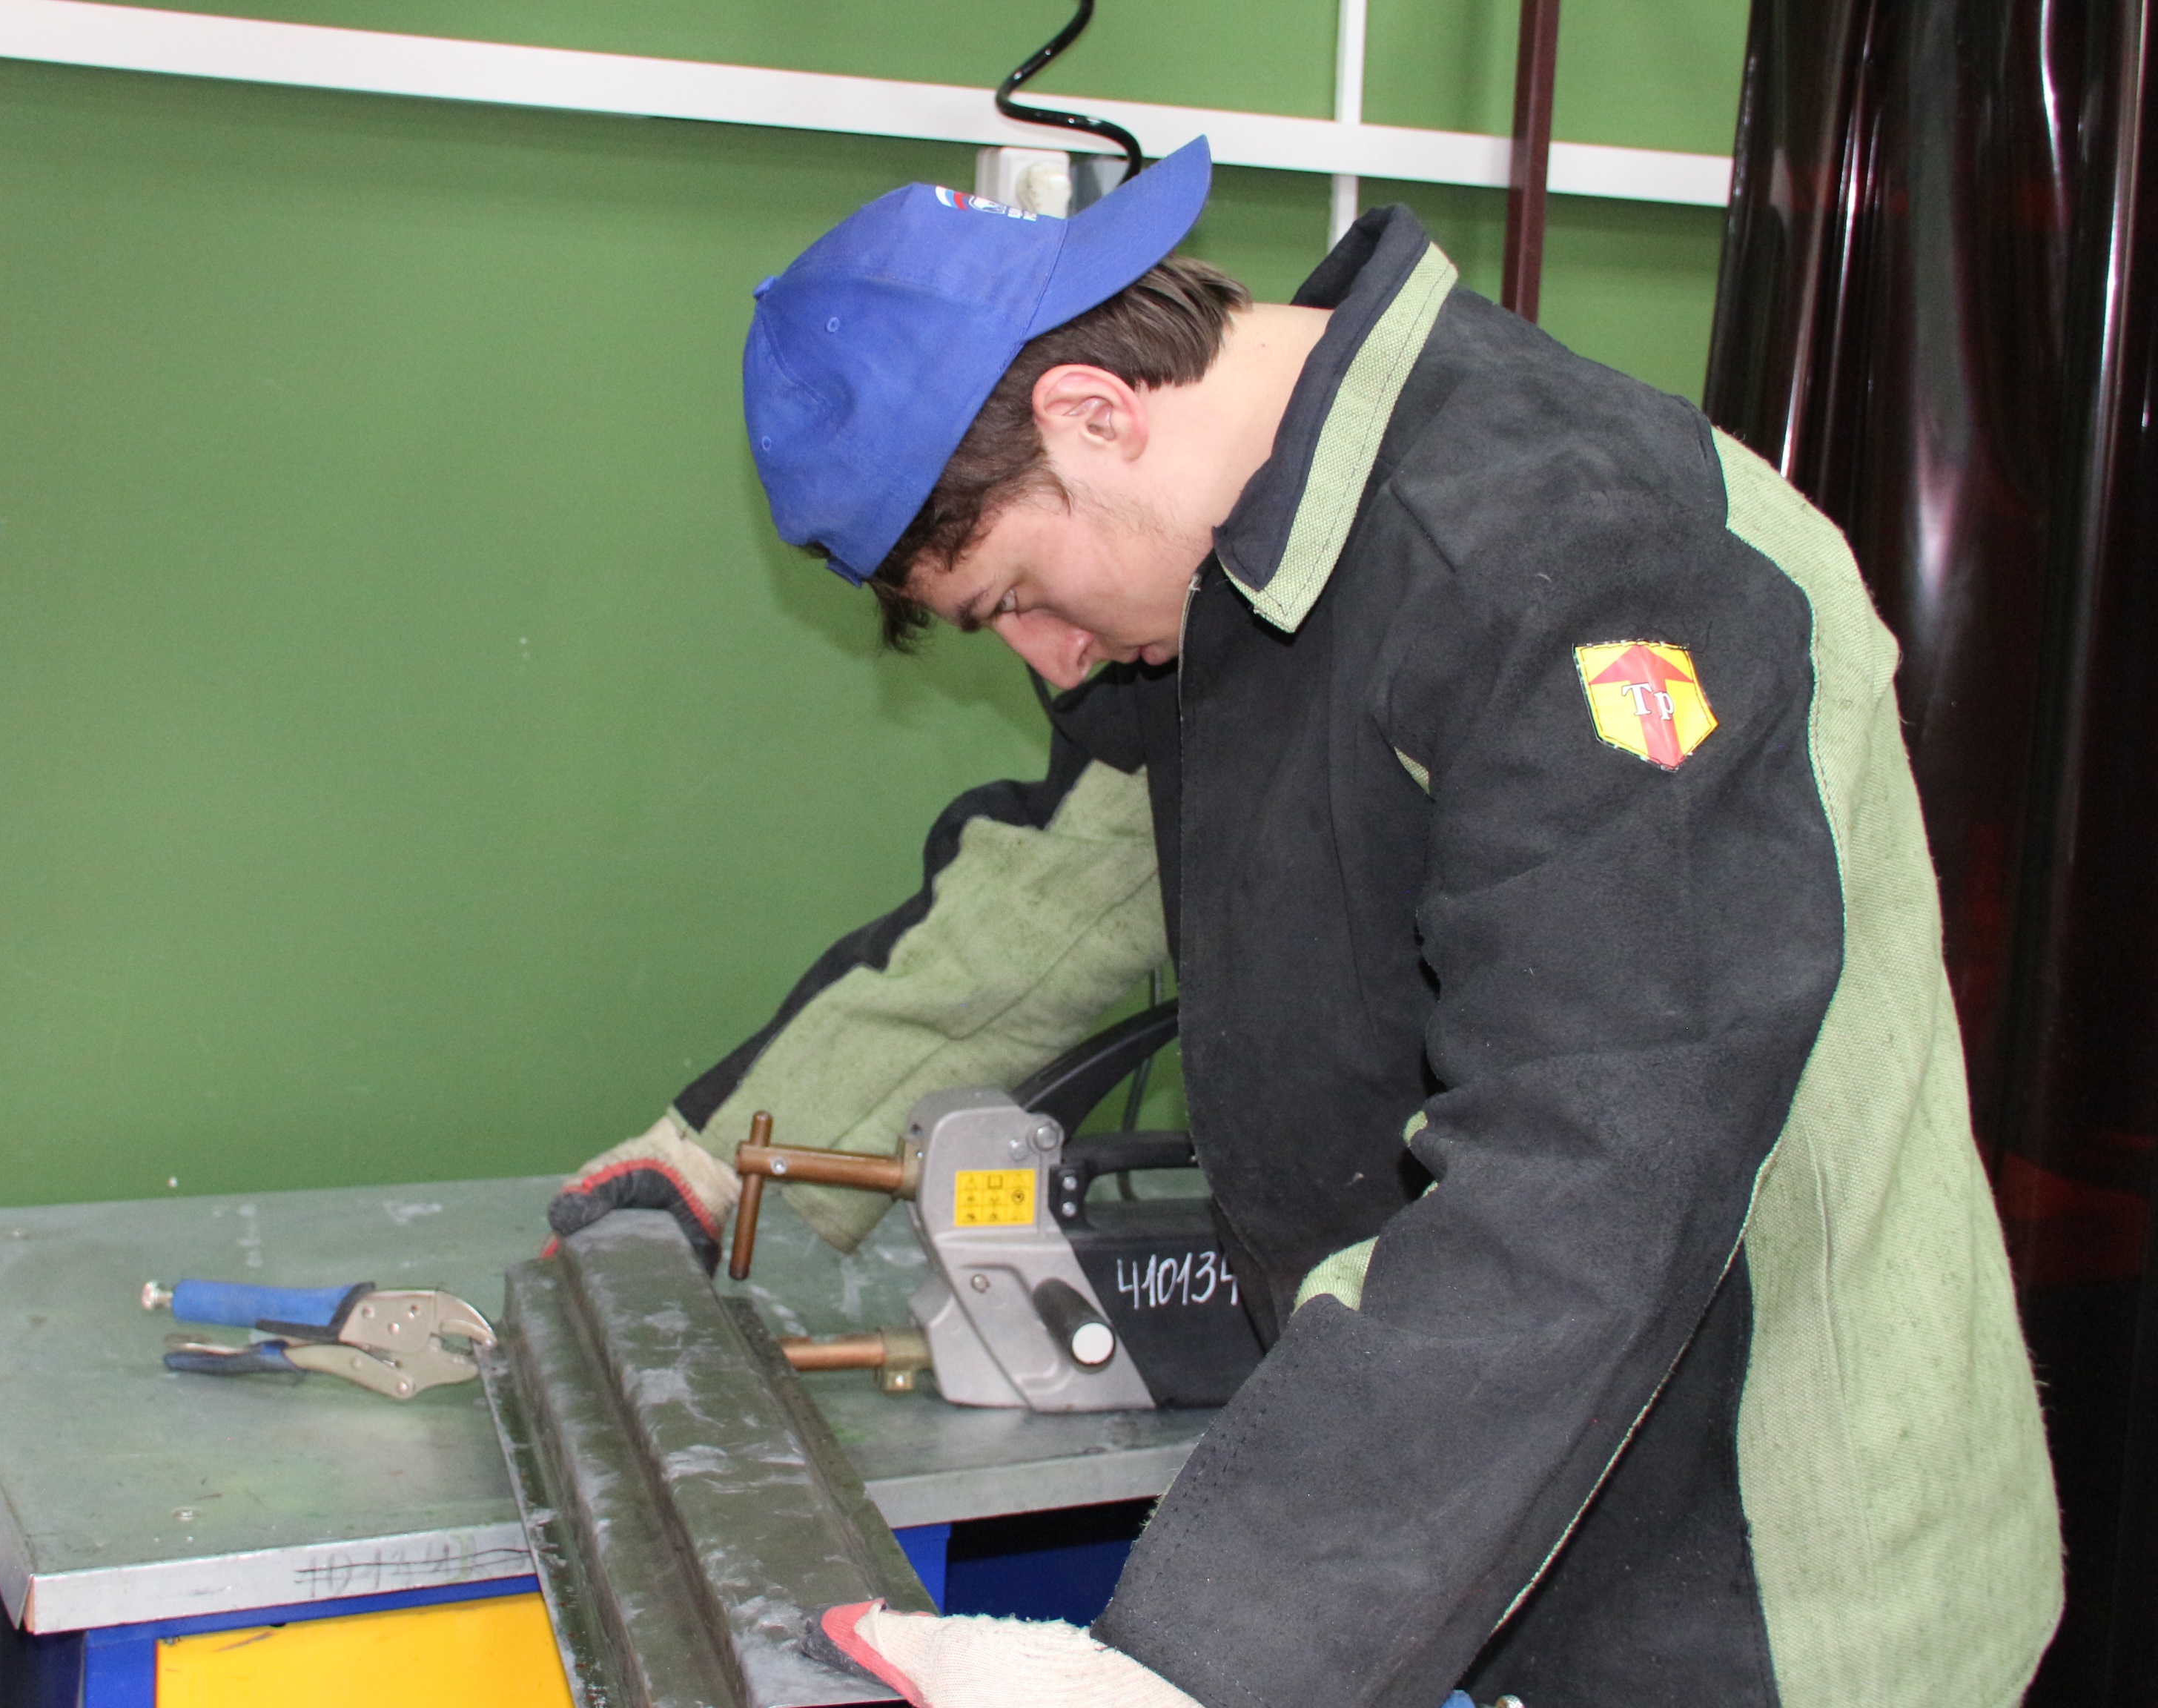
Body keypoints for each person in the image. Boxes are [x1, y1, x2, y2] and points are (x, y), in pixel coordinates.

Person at [546, 139, 2062, 1708]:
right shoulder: (1236, 575)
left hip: (1757, 1574)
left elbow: (1600, 1160)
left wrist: (1204, 1665)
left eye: (1016, 595)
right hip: (1458, 1518)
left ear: (1095, 411)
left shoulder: (1580, 555)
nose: (1053, 662)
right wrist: (713, 1159)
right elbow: (1056, 891)